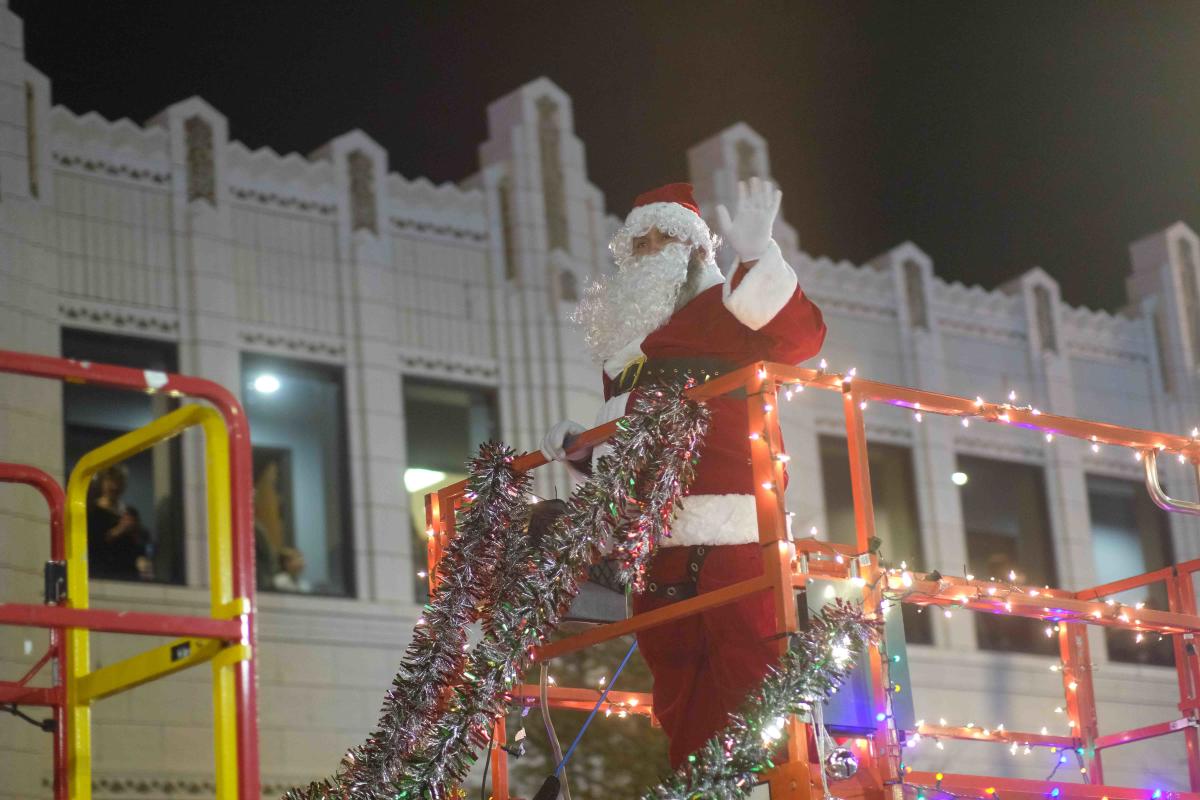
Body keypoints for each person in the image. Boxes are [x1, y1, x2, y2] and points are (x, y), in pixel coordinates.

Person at [540, 178, 826, 768]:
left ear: (697, 249)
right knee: (680, 703)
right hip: (655, 546)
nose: (645, 252)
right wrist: (583, 449)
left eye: (660, 238)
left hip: (736, 536)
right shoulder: (626, 353)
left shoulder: (728, 312)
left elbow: (800, 337)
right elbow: (637, 448)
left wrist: (757, 255)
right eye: (636, 243)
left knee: (757, 693)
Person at [87, 465, 153, 581]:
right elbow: (92, 543)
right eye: (110, 481)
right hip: (102, 573)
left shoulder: (129, 512)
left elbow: (142, 540)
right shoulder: (92, 511)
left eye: (118, 481)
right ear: (102, 483)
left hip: (129, 574)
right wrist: (119, 530)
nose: (114, 486)